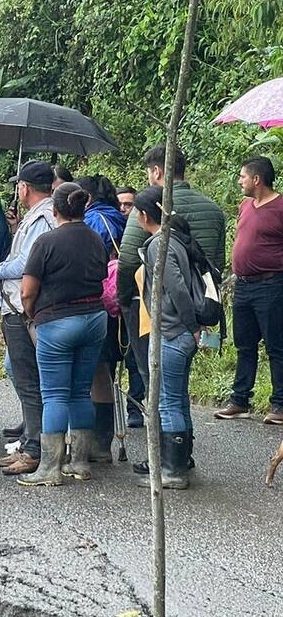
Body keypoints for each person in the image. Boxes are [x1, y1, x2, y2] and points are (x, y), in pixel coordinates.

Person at [16, 186, 109, 486]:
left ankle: (50, 467)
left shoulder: (46, 242)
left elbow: (27, 290)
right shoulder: (96, 238)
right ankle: (80, 462)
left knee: (54, 395)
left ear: (54, 210)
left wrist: (33, 315)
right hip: (94, 320)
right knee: (80, 391)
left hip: (57, 322)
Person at [117, 145, 225, 401]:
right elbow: (216, 264)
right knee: (179, 376)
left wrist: (123, 301)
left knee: (157, 381)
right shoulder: (213, 210)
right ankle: (181, 434)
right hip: (200, 305)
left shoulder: (145, 208)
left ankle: (166, 436)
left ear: (157, 171)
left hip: (157, 310)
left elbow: (129, 260)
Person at [133, 186, 203, 489]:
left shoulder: (159, 245)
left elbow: (176, 289)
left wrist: (190, 325)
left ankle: (172, 470)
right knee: (178, 399)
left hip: (173, 332)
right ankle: (180, 459)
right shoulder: (176, 240)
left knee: (167, 402)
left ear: (145, 215)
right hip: (182, 333)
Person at [0, 161, 57, 476]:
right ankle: (31, 441)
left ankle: (34, 448)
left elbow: (29, 262)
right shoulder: (39, 216)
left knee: (28, 379)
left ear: (25, 187)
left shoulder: (43, 217)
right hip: (19, 305)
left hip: (21, 307)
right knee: (28, 377)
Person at [217, 156, 283, 424]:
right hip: (243, 285)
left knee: (276, 345)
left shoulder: (280, 206)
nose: (239, 181)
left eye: (242, 176)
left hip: (271, 284)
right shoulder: (246, 205)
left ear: (257, 179)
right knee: (244, 344)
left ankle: (279, 404)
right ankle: (239, 400)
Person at [76, 175, 128, 461]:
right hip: (119, 303)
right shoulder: (120, 217)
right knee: (104, 369)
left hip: (99, 300)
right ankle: (102, 440)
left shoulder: (94, 221)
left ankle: (98, 442)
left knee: (97, 370)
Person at [114, 184, 145, 427]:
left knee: (136, 356)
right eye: (120, 204)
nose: (124, 209)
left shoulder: (143, 230)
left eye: (129, 204)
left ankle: (135, 406)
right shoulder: (109, 227)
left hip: (135, 301)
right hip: (112, 302)